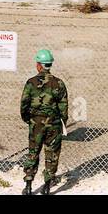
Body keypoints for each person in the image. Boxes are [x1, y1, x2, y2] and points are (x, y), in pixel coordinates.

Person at [20, 48, 68, 195]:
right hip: (53, 124)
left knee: (33, 152)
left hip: (36, 124)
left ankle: (28, 185)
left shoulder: (31, 82)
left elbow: (24, 105)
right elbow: (63, 108)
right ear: (49, 64)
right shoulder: (59, 83)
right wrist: (62, 123)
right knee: (52, 154)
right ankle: (47, 186)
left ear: (39, 65)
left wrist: (28, 119)